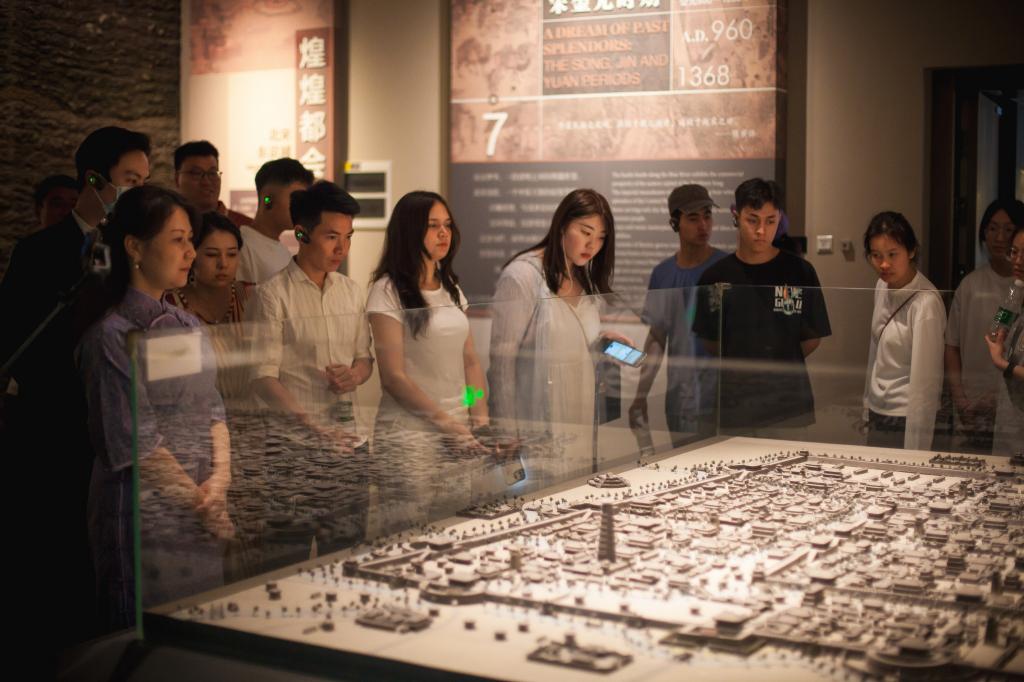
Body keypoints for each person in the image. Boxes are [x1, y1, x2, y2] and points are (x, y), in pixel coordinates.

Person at [0, 126, 150, 647]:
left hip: (115, 424)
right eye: (130, 180)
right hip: (55, 423)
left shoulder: (129, 251)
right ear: (93, 179)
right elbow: (17, 337)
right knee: (57, 553)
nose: (137, 192)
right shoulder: (38, 251)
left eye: (143, 181)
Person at [77, 186, 233, 631]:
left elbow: (214, 410)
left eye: (190, 240)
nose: (191, 252)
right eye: (178, 240)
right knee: (144, 636)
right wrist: (204, 503)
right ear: (134, 247)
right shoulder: (111, 335)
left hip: (200, 505)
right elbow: (138, 444)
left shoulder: (187, 324)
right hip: (144, 512)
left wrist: (219, 483)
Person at [247, 180, 371, 558]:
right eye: (332, 237)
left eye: (348, 238)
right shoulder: (272, 295)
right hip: (294, 450)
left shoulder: (352, 291)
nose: (342, 249)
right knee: (286, 561)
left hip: (349, 445)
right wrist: (313, 426)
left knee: (347, 557)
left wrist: (355, 375)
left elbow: (364, 358)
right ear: (301, 234)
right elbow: (263, 377)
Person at [488, 188, 629, 488]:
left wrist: (601, 341)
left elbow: (569, 340)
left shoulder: (582, 277)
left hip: (580, 413)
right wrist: (507, 432)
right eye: (585, 232)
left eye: (601, 237)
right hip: (536, 417)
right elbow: (501, 363)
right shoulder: (523, 276)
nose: (592, 245)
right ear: (563, 224)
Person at [367, 191, 490, 531]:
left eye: (447, 225)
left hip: (458, 431)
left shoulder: (451, 286)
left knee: (454, 528)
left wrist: (477, 413)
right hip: (410, 434)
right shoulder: (387, 290)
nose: (443, 233)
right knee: (406, 535)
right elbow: (394, 377)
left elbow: (469, 361)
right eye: (433, 226)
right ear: (410, 232)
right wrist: (447, 423)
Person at [693, 178, 831, 433]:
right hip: (735, 403)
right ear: (736, 216)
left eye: (770, 221)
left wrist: (778, 361)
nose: (761, 230)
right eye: (752, 220)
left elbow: (812, 337)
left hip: (788, 402)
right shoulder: (715, 276)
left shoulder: (799, 271)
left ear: (780, 218)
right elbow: (710, 341)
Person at [628, 184, 727, 445]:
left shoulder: (726, 268)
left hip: (723, 399)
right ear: (675, 223)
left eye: (707, 216)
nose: (703, 225)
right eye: (693, 218)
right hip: (680, 400)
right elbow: (657, 338)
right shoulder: (663, 274)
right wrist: (640, 396)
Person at [945, 198, 1024, 452]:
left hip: (1011, 409)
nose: (999, 237)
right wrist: (961, 401)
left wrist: (996, 397)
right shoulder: (971, 285)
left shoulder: (1017, 289)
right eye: (992, 228)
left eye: (1008, 229)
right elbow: (952, 346)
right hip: (971, 406)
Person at [862, 211, 945, 450]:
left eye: (892, 254)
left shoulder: (926, 303)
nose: (884, 264)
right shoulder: (881, 286)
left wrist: (916, 448)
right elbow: (875, 353)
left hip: (905, 415)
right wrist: (867, 407)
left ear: (911, 251)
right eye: (876, 255)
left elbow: (926, 382)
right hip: (878, 409)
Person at [165, 211, 254, 405]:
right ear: (192, 255)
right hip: (198, 415)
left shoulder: (252, 296)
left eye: (232, 254)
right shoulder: (170, 306)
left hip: (253, 413)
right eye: (212, 255)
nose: (223, 264)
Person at [236, 158, 314, 284]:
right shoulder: (241, 246)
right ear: (268, 200)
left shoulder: (284, 252)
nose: (301, 208)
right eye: (295, 200)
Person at [984, 224, 1024, 456]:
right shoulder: (1016, 293)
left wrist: (1003, 364)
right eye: (1014, 252)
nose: (1017, 261)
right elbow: (997, 329)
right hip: (1010, 420)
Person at [173, 140, 254, 228]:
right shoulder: (167, 224)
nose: (206, 182)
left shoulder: (245, 227)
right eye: (196, 173)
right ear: (177, 179)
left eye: (212, 173)